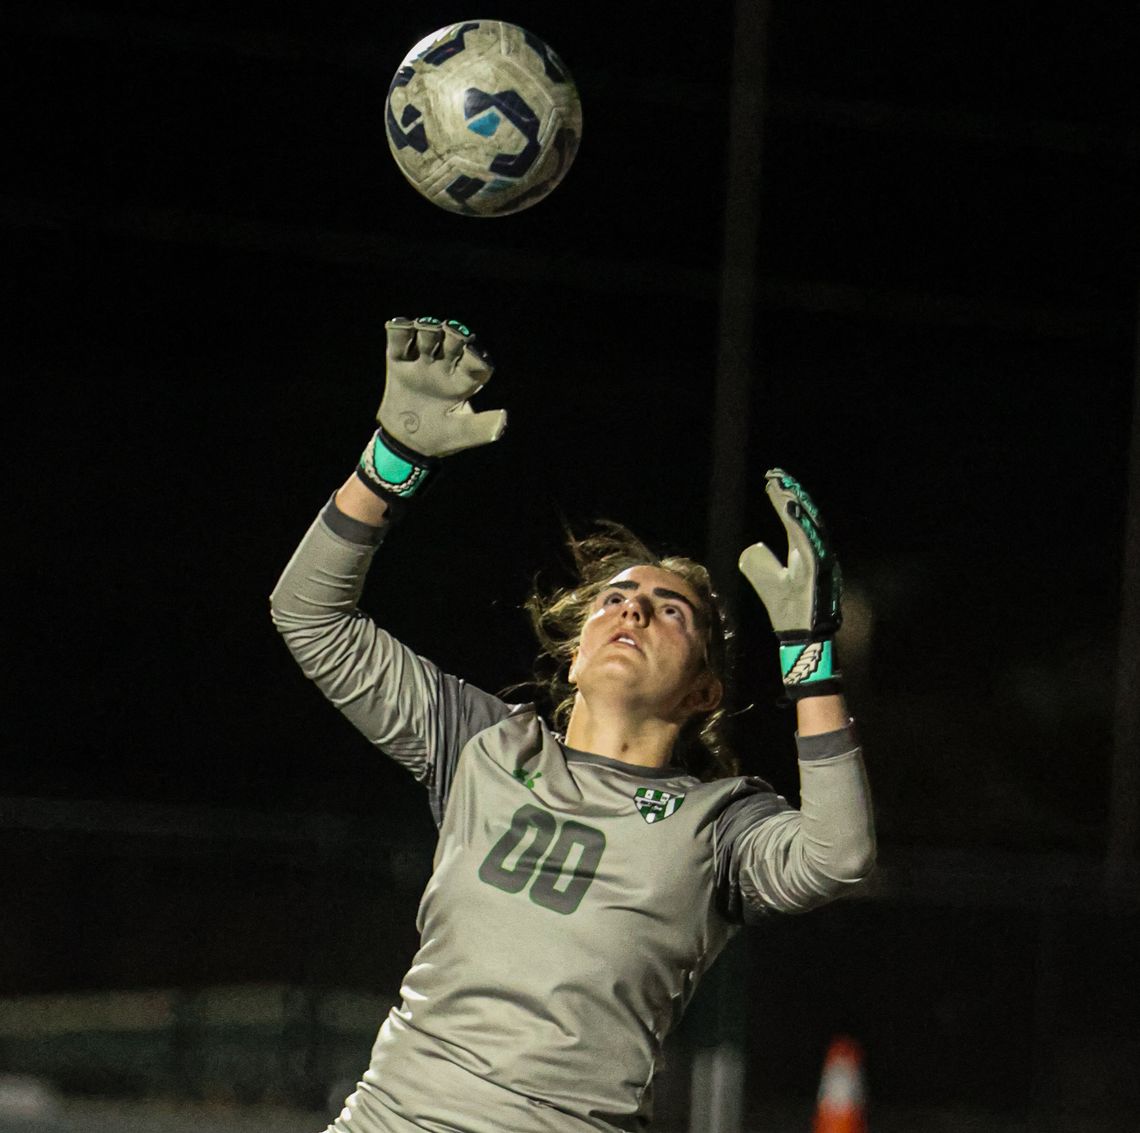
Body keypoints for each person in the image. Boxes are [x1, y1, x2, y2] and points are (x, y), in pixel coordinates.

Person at [270, 316, 875, 1132]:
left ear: (703, 692)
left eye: (669, 610)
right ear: (576, 655)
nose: (632, 607)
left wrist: (809, 656)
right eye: (616, 598)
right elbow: (309, 615)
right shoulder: (483, 745)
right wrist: (390, 459)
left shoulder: (717, 822)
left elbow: (837, 855)